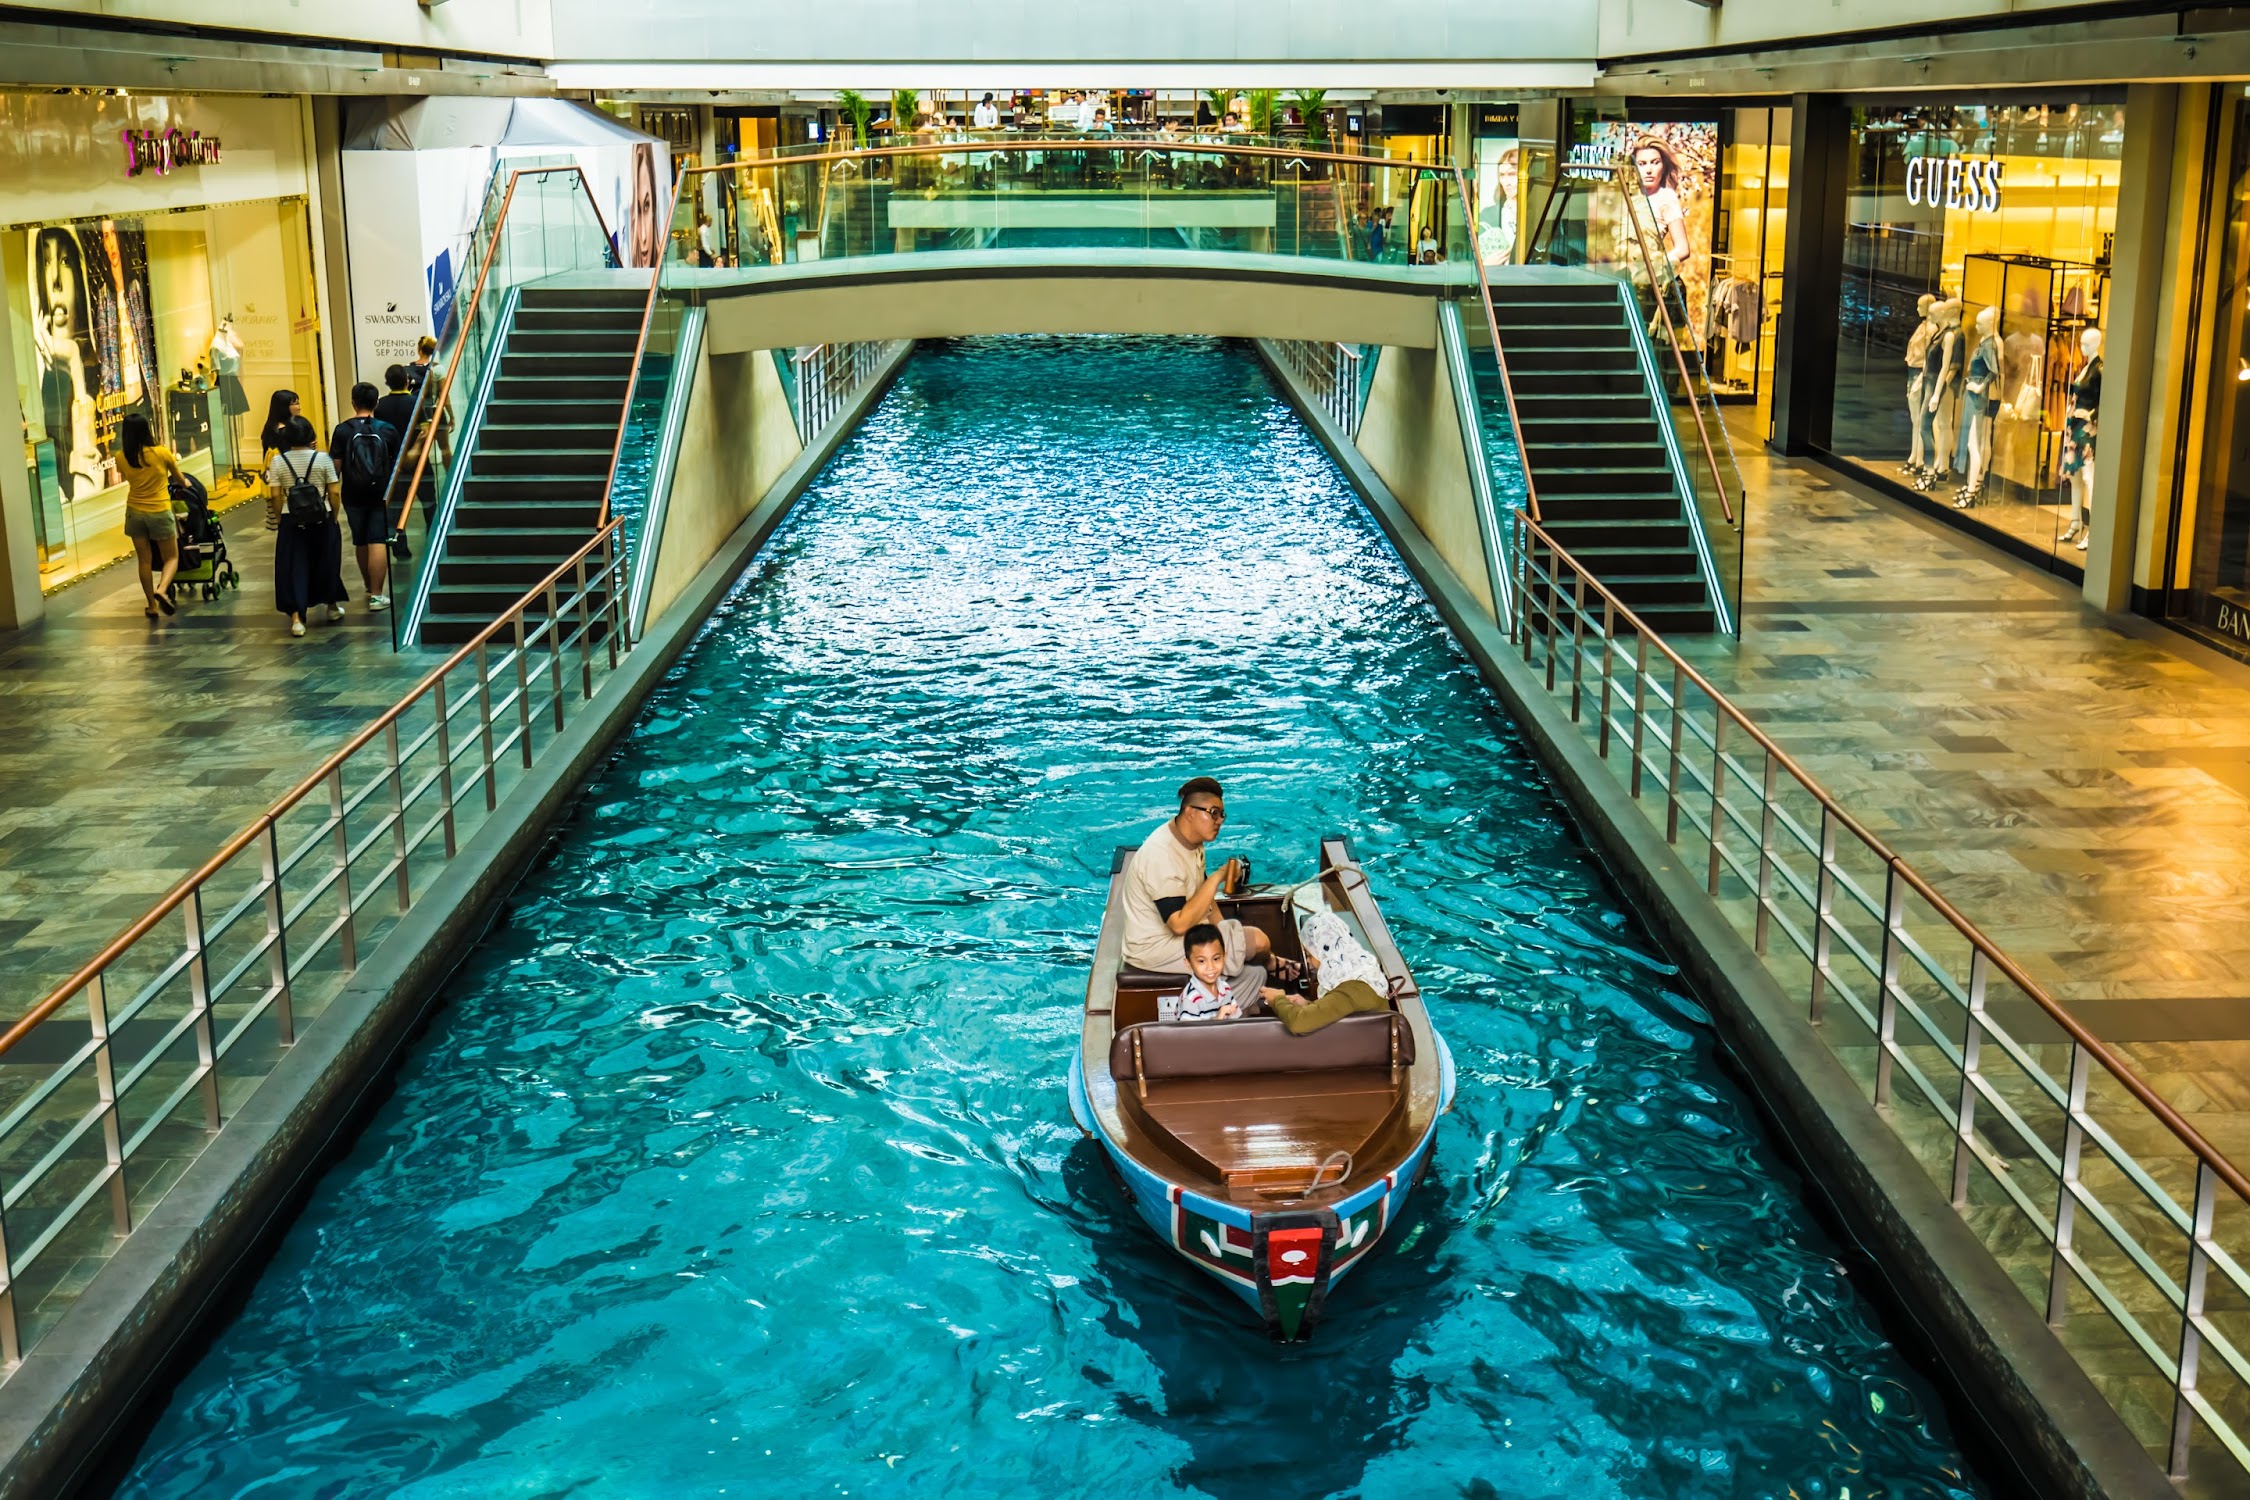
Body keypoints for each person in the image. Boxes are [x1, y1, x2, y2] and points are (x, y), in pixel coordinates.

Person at [1121, 776, 1275, 976]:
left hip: (1179, 934)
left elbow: (1204, 895)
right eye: (1213, 813)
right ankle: (1272, 965)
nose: (1219, 821)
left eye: (1222, 814)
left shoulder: (1191, 841)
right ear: (1190, 812)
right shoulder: (1162, 855)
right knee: (1259, 943)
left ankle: (1269, 965)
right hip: (1154, 948)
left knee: (1252, 949)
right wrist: (1219, 876)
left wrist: (1222, 929)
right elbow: (1178, 924)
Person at [265, 415, 348, 637]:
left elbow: (274, 495)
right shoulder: (323, 459)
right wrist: (335, 515)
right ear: (311, 435)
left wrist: (280, 517)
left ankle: (297, 619)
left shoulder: (278, 461)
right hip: (322, 517)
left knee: (293, 565)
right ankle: (331, 606)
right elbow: (335, 491)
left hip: (292, 520)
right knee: (326, 560)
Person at [329, 382, 400, 610]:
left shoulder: (342, 430)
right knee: (377, 540)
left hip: (353, 493)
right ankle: (378, 596)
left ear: (353, 403)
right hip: (380, 493)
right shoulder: (387, 429)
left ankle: (369, 586)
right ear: (376, 403)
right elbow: (397, 464)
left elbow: (335, 469)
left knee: (360, 540)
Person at [117, 413, 183, 618]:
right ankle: (162, 589)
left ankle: (152, 606)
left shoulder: (120, 457)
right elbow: (180, 479)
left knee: (144, 560)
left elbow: (130, 477)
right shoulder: (162, 453)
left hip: (135, 512)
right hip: (159, 511)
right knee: (171, 557)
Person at [1175, 923, 1284, 1022]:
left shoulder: (1224, 988)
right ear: (1188, 963)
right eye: (1201, 961)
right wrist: (1218, 1019)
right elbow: (1190, 1040)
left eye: (1216, 959)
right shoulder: (1190, 999)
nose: (1210, 967)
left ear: (1224, 957)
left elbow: (1234, 1023)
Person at [259, 389, 302, 532]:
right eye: (295, 403)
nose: (299, 407)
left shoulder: (269, 429)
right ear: (284, 407)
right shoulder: (288, 431)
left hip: (276, 484)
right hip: (291, 487)